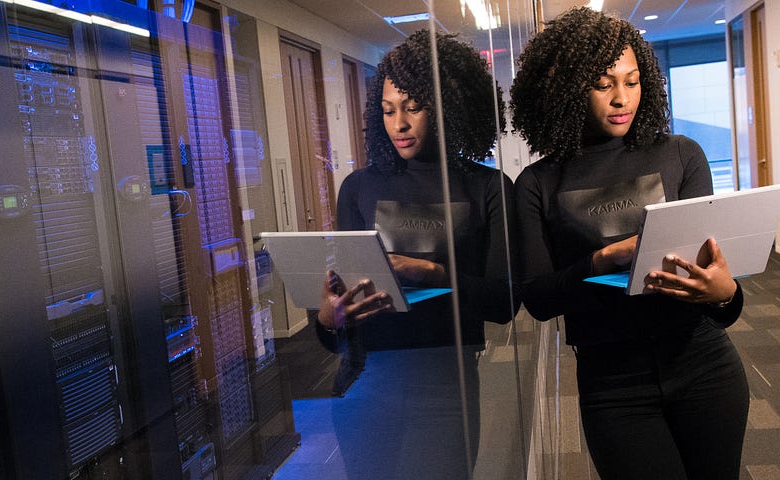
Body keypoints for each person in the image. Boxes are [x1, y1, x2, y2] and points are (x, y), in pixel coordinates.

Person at [508, 7, 749, 480]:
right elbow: (537, 297)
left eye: (633, 80)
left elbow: (720, 290)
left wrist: (726, 294)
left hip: (704, 365)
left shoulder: (681, 154)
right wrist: (601, 260)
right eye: (604, 84)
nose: (623, 98)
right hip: (613, 384)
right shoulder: (538, 182)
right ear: (568, 88)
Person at [310, 29, 512, 479]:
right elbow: (335, 328)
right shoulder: (359, 188)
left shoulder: (486, 188)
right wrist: (328, 318)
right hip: (364, 384)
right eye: (387, 110)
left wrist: (432, 272)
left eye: (412, 108)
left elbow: (504, 303)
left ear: (445, 108)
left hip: (447, 386)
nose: (398, 124)